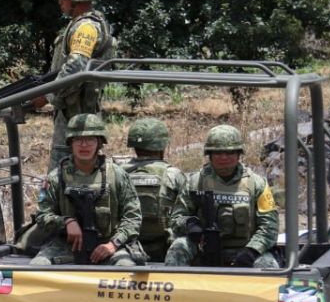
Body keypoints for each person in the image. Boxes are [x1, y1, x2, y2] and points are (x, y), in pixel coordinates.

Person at [29, 113, 145, 266]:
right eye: (78, 139)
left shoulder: (116, 175)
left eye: (90, 139)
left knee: (125, 267)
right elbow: (42, 215)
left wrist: (113, 244)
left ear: (99, 142)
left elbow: (133, 217)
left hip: (108, 245)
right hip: (67, 245)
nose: (84, 145)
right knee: (38, 266)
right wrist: (66, 222)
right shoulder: (56, 177)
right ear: (70, 142)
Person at [31, 0, 116, 169]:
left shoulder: (85, 28)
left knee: (62, 173)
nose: (60, 2)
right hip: (79, 113)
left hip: (75, 118)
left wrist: (46, 96)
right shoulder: (86, 24)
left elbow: (76, 67)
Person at [165, 124, 280, 268]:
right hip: (203, 248)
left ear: (239, 154)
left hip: (246, 248)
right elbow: (176, 219)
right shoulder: (194, 182)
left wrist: (252, 251)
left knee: (268, 265)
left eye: (230, 153)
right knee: (178, 247)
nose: (224, 157)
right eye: (218, 153)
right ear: (209, 155)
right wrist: (190, 225)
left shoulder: (257, 183)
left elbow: (269, 226)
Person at [119, 118, 186, 263]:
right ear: (162, 145)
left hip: (124, 246)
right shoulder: (174, 174)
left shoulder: (117, 172)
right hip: (166, 249)